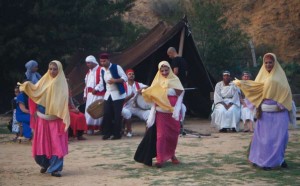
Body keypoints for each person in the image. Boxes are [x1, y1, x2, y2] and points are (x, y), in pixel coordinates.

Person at [233, 53, 293, 170]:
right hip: (265, 113)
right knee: (265, 139)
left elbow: (287, 91)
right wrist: (242, 84)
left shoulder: (281, 76)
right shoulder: (261, 76)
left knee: (280, 138)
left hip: (279, 113)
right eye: (266, 63)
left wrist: (281, 102)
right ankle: (264, 161)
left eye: (270, 62)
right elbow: (254, 89)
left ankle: (280, 160)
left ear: (274, 63)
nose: (268, 64)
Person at [19, 60, 69, 177]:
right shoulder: (43, 81)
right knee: (41, 143)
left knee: (56, 143)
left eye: (55, 69)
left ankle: (56, 168)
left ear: (59, 70)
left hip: (56, 118)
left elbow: (63, 100)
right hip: (42, 118)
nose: (52, 71)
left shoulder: (62, 83)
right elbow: (35, 92)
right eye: (50, 68)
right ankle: (45, 164)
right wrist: (27, 86)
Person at [134, 61, 185, 168]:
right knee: (161, 136)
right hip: (161, 113)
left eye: (166, 70)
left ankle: (172, 155)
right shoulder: (157, 81)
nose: (165, 72)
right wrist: (144, 91)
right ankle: (160, 159)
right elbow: (151, 92)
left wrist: (169, 87)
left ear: (170, 70)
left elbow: (180, 92)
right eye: (162, 71)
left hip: (172, 113)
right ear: (159, 71)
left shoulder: (175, 80)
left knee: (172, 136)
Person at [99, 53, 128, 140]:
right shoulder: (102, 70)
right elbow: (101, 83)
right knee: (107, 113)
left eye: (104, 61)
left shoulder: (116, 67)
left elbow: (125, 78)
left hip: (118, 94)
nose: (103, 63)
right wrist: (96, 89)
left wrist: (115, 80)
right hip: (108, 94)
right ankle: (107, 133)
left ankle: (117, 134)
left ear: (108, 60)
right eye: (101, 61)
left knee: (117, 115)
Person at [122, 69, 149, 137]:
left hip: (137, 107)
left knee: (148, 113)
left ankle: (148, 133)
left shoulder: (138, 84)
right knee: (126, 112)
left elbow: (149, 87)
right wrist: (131, 96)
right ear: (126, 76)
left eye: (132, 74)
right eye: (129, 74)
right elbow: (121, 101)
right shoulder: (123, 86)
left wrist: (142, 89)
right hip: (126, 106)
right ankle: (129, 131)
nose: (131, 75)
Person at [83, 55, 105, 135]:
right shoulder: (88, 72)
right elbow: (86, 85)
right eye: (87, 63)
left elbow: (103, 81)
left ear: (93, 62)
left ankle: (99, 128)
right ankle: (89, 128)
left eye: (89, 63)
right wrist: (85, 95)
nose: (87, 65)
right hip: (89, 95)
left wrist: (96, 88)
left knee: (98, 111)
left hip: (98, 95)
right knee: (89, 112)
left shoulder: (101, 69)